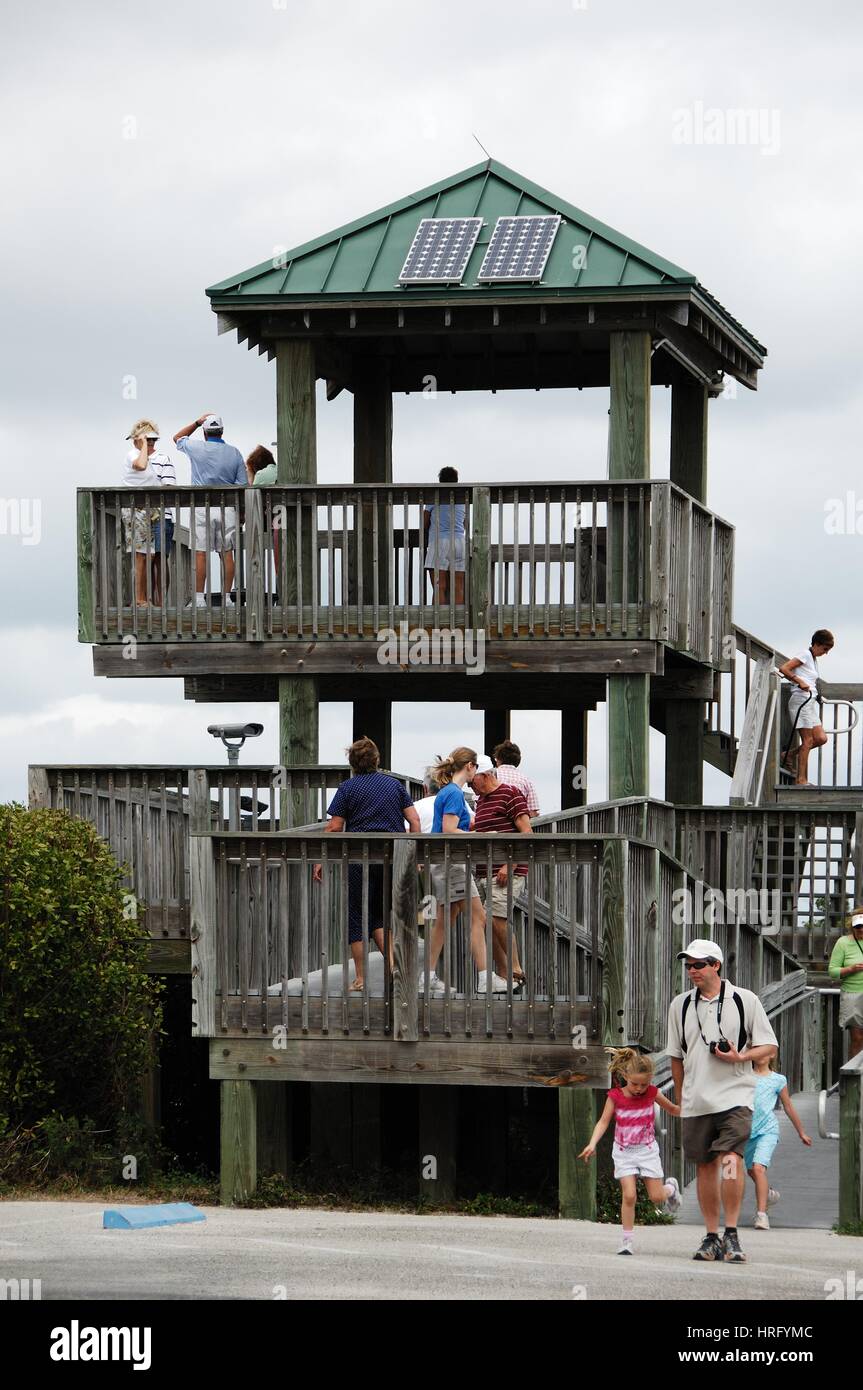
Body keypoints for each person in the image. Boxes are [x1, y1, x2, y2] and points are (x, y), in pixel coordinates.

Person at [666, 939, 778, 1263]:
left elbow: (769, 1047)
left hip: (736, 1095)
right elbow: (675, 1056)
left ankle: (732, 1233)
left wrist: (741, 1056)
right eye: (688, 965)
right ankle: (712, 1235)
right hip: (697, 1099)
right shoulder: (680, 1005)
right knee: (704, 1166)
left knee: (731, 1160)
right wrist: (681, 1095)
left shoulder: (745, 1000)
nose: (692, 971)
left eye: (698, 964)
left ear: (716, 965)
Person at [313, 737, 420, 993]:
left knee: (357, 917)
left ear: (352, 763)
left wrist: (320, 858)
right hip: (391, 858)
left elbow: (335, 827)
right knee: (383, 916)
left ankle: (361, 978)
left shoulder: (347, 788)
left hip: (359, 860)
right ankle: (395, 967)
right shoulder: (394, 786)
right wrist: (412, 854)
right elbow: (414, 821)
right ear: (376, 760)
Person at [578, 1047, 682, 1255]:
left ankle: (670, 1189)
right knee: (629, 1195)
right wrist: (592, 1143)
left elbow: (672, 1109)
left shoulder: (652, 1093)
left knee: (656, 1197)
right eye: (634, 1084)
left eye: (644, 1084)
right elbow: (603, 1121)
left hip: (647, 1151)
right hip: (624, 1152)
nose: (639, 1089)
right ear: (625, 1075)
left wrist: (694, 1109)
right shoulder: (615, 1096)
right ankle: (626, 1241)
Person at [426, 747, 507, 996]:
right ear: (470, 766)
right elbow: (449, 829)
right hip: (452, 862)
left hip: (445, 861)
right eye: (477, 768)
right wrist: (481, 836)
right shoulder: (454, 793)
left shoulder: (448, 791)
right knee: (479, 917)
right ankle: (484, 978)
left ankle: (426, 976)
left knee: (444, 920)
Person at [470, 755, 531, 989]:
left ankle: (515, 968)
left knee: (497, 918)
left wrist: (511, 863)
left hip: (506, 871)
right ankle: (506, 977)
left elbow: (526, 833)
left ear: (486, 775)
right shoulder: (481, 801)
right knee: (488, 922)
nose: (470, 784)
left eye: (473, 779)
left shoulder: (511, 794)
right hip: (484, 871)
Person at [173, 412, 246, 607]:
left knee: (200, 553)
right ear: (222, 432)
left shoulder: (196, 447)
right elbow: (242, 485)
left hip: (201, 507)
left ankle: (198, 599)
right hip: (227, 509)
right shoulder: (235, 453)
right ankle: (226, 598)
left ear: (205, 433)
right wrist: (243, 514)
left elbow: (177, 438)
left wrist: (196, 422)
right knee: (226, 553)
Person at [745, 1055, 811, 1230]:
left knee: (758, 1168)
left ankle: (761, 1215)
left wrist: (801, 1132)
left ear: (771, 1054)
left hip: (768, 1130)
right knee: (752, 1171)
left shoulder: (778, 1080)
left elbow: (788, 1106)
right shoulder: (744, 1075)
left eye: (763, 1050)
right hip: (747, 1132)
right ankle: (768, 1194)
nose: (760, 1055)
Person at [122, 419, 176, 606]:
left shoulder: (146, 455)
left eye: (153, 440)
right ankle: (140, 598)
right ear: (136, 439)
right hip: (136, 510)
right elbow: (141, 466)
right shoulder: (133, 455)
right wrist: (143, 444)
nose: (151, 443)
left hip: (150, 513)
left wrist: (144, 443)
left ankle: (145, 599)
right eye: (148, 439)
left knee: (149, 555)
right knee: (140, 555)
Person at [777, 629, 835, 785]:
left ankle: (788, 754)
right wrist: (799, 681)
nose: (826, 653)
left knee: (821, 738)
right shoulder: (804, 654)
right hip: (800, 701)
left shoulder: (813, 658)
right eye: (825, 649)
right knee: (808, 741)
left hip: (809, 701)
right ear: (816, 644)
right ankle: (801, 779)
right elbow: (784, 668)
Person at [424, 466, 465, 606]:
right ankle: (458, 624)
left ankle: (439, 624)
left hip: (440, 542)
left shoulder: (434, 497)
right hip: (460, 542)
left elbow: (425, 522)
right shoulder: (462, 499)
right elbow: (465, 523)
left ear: (440, 480)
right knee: (458, 587)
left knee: (439, 586)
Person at [827, 907, 863, 1060]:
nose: (861, 929)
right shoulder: (843, 943)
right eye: (858, 926)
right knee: (858, 1038)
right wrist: (851, 969)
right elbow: (832, 972)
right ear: (852, 926)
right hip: (852, 995)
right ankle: (854, 1078)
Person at [492, 739, 540, 818]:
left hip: (495, 824)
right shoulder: (526, 780)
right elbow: (533, 811)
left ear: (499, 760)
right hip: (519, 825)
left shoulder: (492, 775)